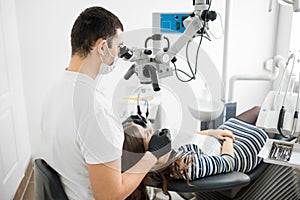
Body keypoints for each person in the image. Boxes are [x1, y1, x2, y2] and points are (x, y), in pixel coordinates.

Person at [39, 6, 172, 200]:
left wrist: (114, 128)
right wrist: (153, 153)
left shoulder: (55, 90)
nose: (120, 55)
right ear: (102, 47)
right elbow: (110, 196)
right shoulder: (95, 110)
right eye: (119, 47)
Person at [121, 106, 270, 199]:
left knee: (257, 110)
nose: (151, 130)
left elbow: (191, 137)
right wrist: (228, 139)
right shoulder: (184, 165)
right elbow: (228, 162)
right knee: (270, 125)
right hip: (237, 151)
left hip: (217, 140)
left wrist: (212, 132)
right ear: (145, 152)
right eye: (146, 135)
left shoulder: (162, 153)